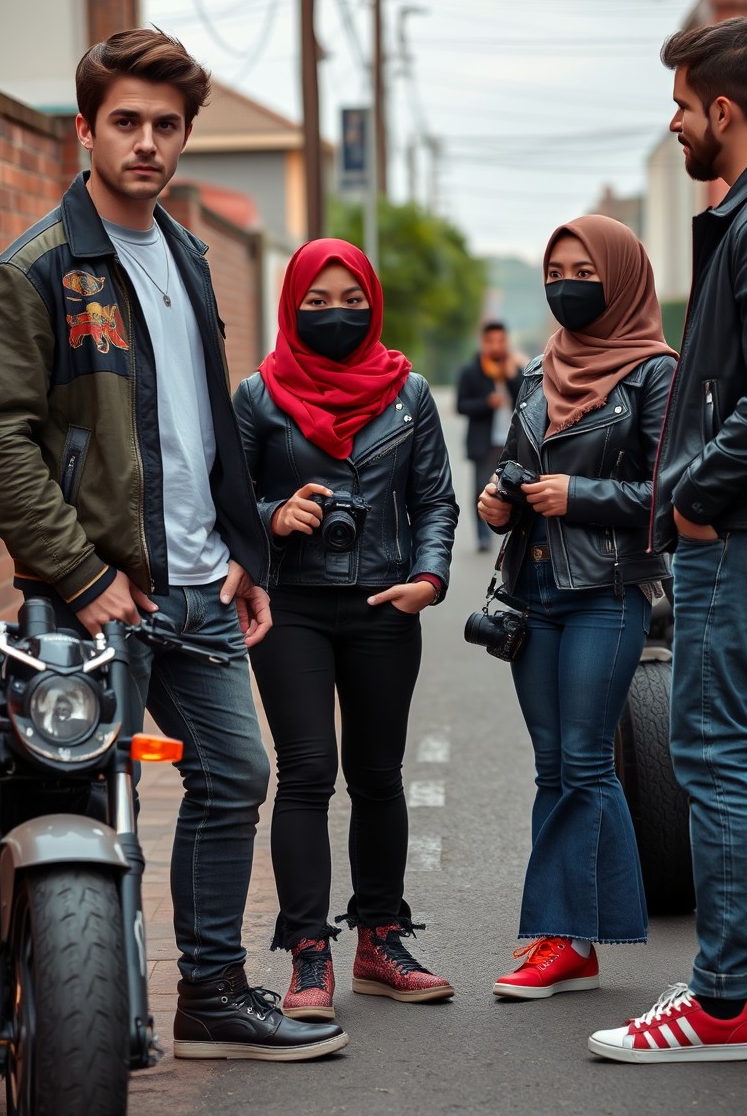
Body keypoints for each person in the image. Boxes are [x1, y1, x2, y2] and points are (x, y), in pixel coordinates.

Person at [0, 28, 347, 1062]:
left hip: (198, 585)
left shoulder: (181, 251)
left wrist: (245, 547)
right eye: (125, 122)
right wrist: (83, 575)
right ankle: (58, 1012)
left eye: (165, 126)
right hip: (97, 595)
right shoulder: (33, 270)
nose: (146, 143)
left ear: (184, 138)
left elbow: (200, 422)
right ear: (85, 130)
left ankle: (210, 993)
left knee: (235, 776)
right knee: (73, 795)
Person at [590, 17, 747, 1063]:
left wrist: (697, 494)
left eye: (680, 105)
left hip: (746, 535)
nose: (673, 124)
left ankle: (718, 1003)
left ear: (721, 109)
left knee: (716, 758)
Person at [234, 238, 458, 1024]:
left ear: (374, 302)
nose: (337, 315)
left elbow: (435, 499)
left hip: (384, 602)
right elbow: (228, 504)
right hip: (290, 602)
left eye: (352, 300)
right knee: (306, 771)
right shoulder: (259, 395)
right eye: (318, 302)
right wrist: (274, 514)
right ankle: (307, 951)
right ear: (293, 305)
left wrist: (428, 580)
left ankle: (380, 939)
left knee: (378, 772)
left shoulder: (410, 394)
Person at [477, 215, 677, 1002]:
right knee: (553, 765)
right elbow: (520, 468)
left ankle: (561, 937)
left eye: (582, 269)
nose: (566, 283)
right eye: (554, 269)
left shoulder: (655, 372)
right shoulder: (535, 373)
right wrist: (503, 499)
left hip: (608, 592)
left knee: (588, 761)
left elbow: (669, 494)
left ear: (621, 276)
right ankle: (576, 940)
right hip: (533, 593)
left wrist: (579, 496)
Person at [457, 321, 523, 551]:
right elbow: (461, 405)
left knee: (513, 488)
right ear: (483, 343)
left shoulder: (514, 370)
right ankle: (482, 534)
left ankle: (509, 529)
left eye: (500, 340)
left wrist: (512, 375)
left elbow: (526, 401)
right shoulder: (472, 371)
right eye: (491, 341)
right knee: (480, 489)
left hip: (511, 442)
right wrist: (486, 403)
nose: (496, 346)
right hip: (484, 442)